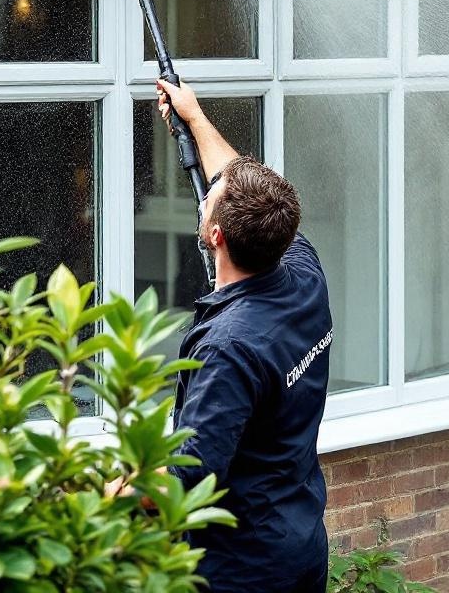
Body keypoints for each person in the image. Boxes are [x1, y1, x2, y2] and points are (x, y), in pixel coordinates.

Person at [156, 77, 333, 593]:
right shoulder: (303, 272)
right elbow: (240, 182)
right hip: (301, 545)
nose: (208, 192)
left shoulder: (228, 348)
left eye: (210, 199)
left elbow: (187, 476)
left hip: (243, 570)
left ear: (216, 236)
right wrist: (193, 115)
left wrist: (99, 492)